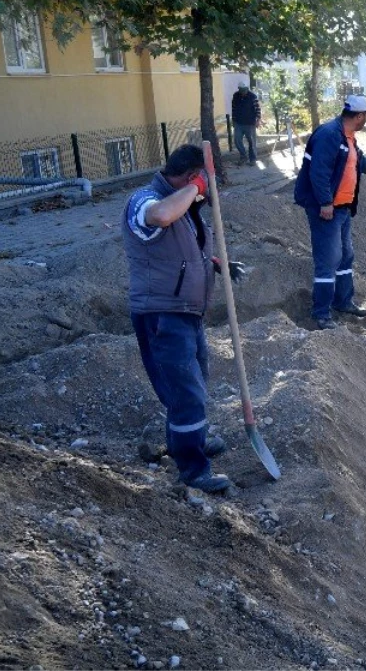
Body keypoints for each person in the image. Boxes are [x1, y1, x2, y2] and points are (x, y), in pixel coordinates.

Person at [121, 144, 246, 494]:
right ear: (191, 177)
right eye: (206, 182)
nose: (209, 191)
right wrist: (197, 187)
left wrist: (218, 265)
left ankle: (190, 439)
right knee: (185, 391)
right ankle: (192, 469)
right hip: (162, 313)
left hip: (188, 312)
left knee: (194, 383)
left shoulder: (187, 205)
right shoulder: (144, 200)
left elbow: (183, 250)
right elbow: (160, 217)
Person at [294, 94, 366, 330]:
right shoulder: (329, 135)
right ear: (360, 116)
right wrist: (325, 202)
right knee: (328, 259)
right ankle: (321, 313)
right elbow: (318, 173)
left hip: (342, 209)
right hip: (326, 209)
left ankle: (343, 302)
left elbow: (358, 162)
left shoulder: (347, 137)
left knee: (345, 256)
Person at [230, 82, 261, 165]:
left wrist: (258, 120)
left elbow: (257, 109)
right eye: (242, 90)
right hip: (238, 123)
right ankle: (243, 156)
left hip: (250, 123)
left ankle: (253, 159)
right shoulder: (236, 96)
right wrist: (233, 120)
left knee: (251, 141)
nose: (244, 92)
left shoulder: (253, 97)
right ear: (239, 89)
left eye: (245, 90)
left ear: (247, 89)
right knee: (237, 140)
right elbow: (233, 109)